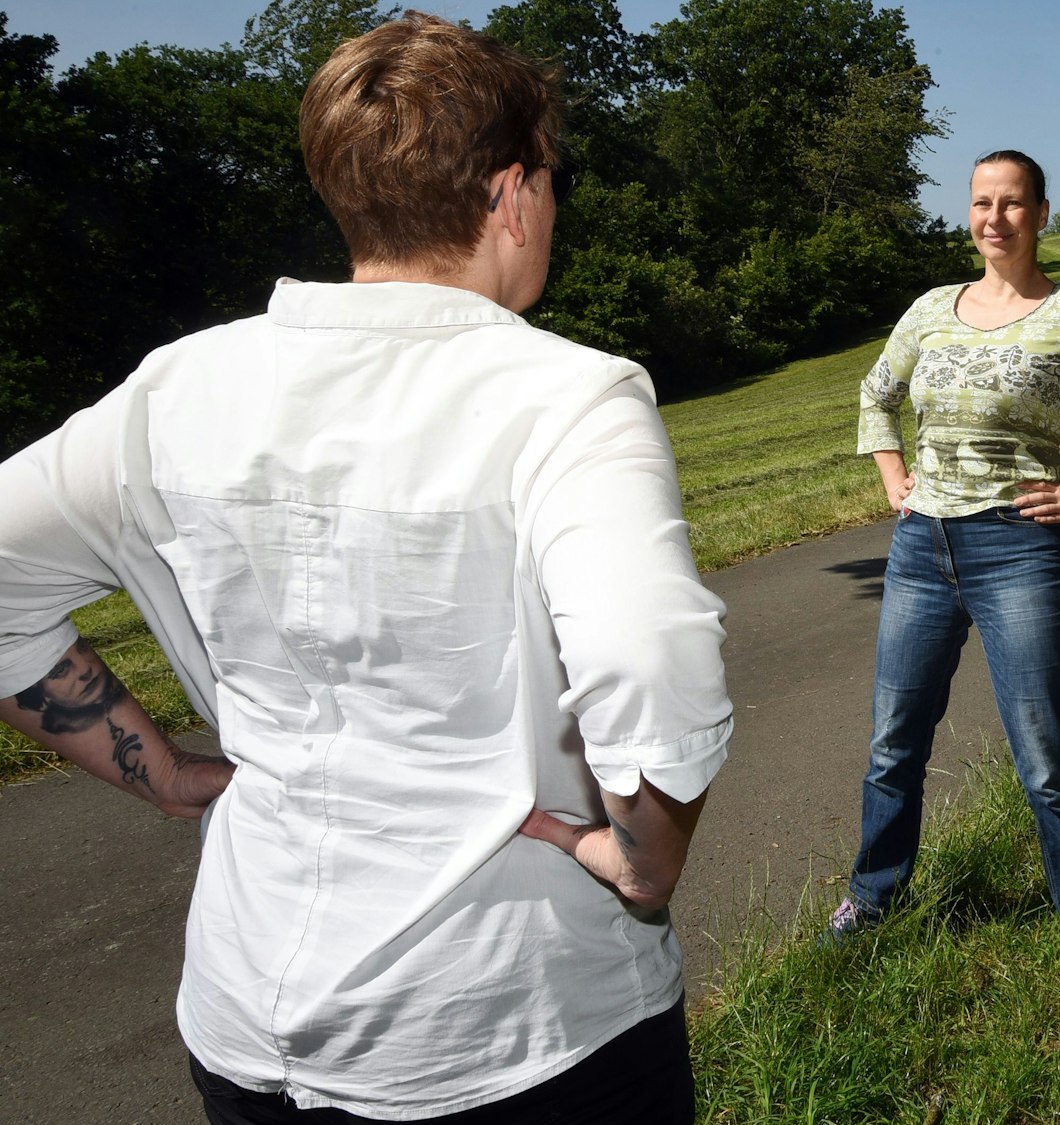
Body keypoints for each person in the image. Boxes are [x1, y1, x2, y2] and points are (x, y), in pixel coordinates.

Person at [0, 13, 731, 1122]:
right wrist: (643, 863)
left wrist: (172, 775)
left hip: (245, 1023)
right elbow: (647, 661)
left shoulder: (173, 390)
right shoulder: (567, 396)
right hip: (516, 1034)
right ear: (509, 193)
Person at [824, 149, 1060, 1028]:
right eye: (982, 203)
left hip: (1020, 552)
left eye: (1013, 203)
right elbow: (877, 393)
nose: (995, 218)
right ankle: (874, 895)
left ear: (1041, 213)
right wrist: (891, 478)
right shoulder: (929, 310)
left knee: (1044, 757)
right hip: (922, 549)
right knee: (893, 742)